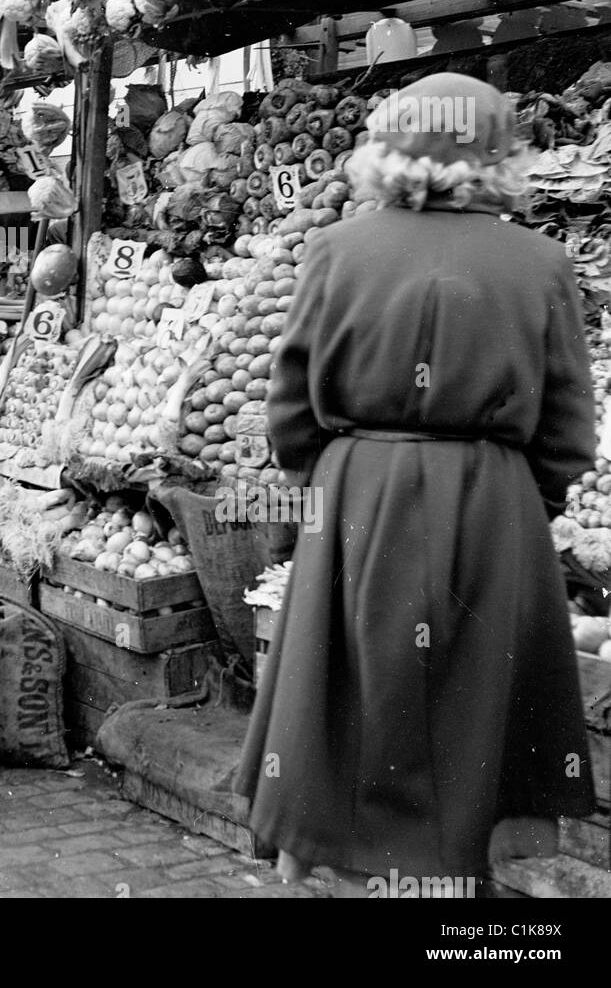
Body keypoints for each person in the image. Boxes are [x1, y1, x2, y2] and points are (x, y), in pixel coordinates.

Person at [235, 73, 597, 892]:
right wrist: (516, 500)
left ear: (387, 148)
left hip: (358, 485)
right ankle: (460, 868)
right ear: (498, 156)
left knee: (353, 685)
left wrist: (325, 483)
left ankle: (337, 849)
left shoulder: (336, 249)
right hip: (493, 495)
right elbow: (568, 427)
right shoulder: (539, 261)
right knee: (473, 692)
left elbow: (289, 408)